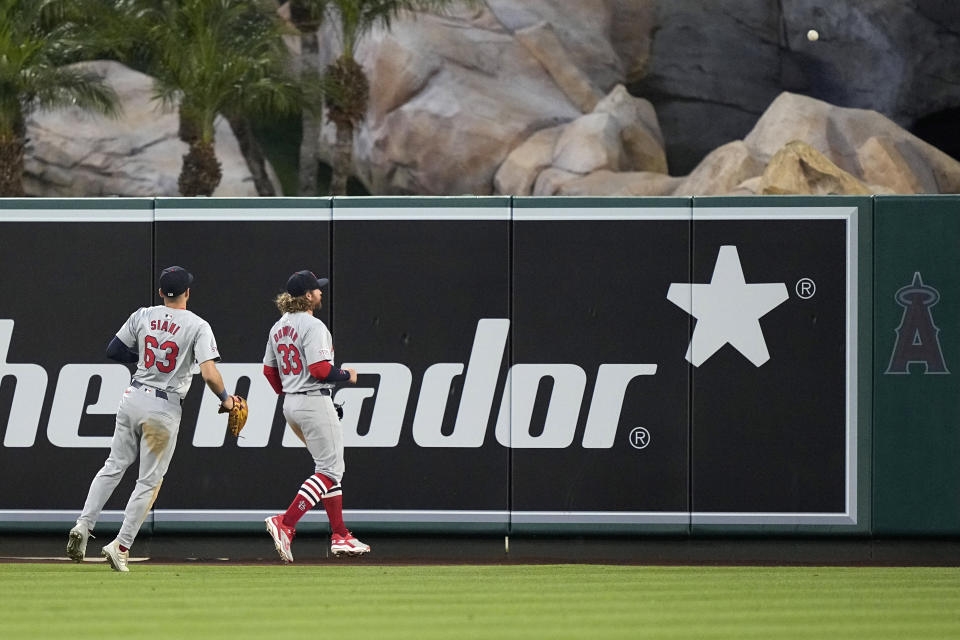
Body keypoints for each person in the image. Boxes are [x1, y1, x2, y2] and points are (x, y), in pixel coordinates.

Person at [66, 266, 237, 572]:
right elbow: (209, 373)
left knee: (113, 466)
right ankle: (120, 545)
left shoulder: (143, 314)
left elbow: (114, 350)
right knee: (149, 481)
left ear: (161, 292)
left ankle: (83, 524)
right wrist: (226, 399)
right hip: (164, 407)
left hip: (133, 396)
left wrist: (144, 358)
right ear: (187, 292)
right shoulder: (198, 325)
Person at [262, 270, 370, 561]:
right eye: (317, 290)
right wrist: (347, 375)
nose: (321, 293)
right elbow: (321, 370)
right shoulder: (313, 325)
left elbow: (270, 372)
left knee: (327, 469)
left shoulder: (278, 326)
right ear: (307, 296)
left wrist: (293, 393)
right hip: (312, 401)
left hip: (292, 404)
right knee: (330, 470)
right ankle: (286, 523)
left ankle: (340, 535)